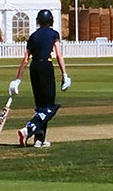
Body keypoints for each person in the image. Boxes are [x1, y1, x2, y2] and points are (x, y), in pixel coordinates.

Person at [9, 9, 71, 148]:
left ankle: (39, 140)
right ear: (51, 20)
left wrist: (17, 79)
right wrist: (64, 74)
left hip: (34, 68)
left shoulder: (33, 36)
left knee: (41, 106)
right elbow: (59, 55)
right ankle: (29, 129)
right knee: (50, 106)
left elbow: (25, 59)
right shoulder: (53, 34)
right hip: (46, 67)